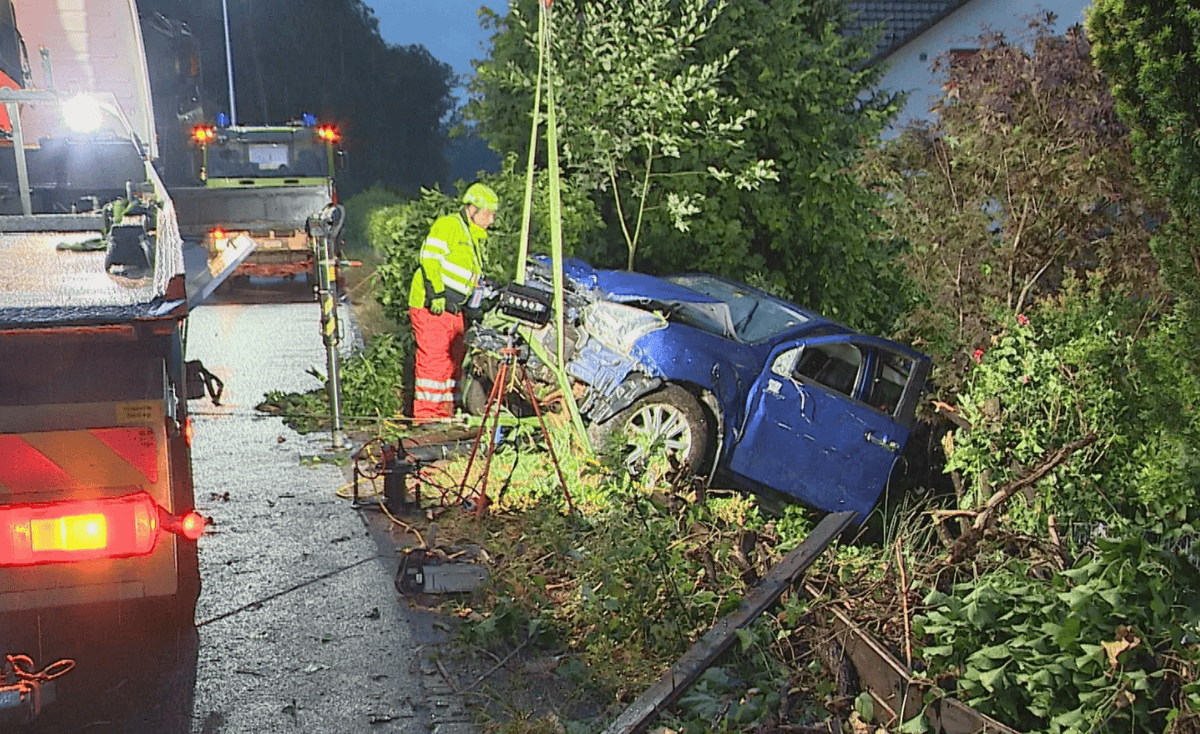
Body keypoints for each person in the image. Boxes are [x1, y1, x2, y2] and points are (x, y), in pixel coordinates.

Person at [407, 182, 499, 420]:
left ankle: (447, 411)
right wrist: (436, 293)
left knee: (454, 358)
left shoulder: (473, 237)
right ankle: (427, 416)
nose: (492, 220)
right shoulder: (448, 226)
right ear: (472, 209)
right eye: (488, 214)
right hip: (432, 305)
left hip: (453, 309)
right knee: (435, 361)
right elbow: (430, 260)